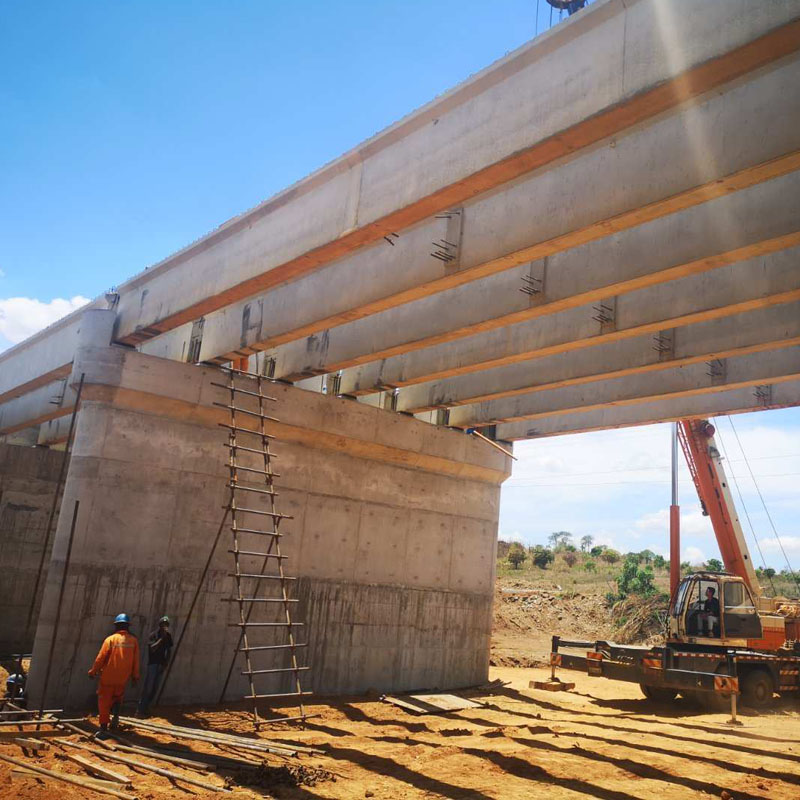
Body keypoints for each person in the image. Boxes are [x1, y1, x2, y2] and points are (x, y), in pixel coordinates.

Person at [88, 613, 140, 738]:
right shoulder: (134, 641)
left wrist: (93, 671)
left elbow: (100, 658)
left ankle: (103, 729)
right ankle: (115, 718)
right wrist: (135, 676)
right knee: (118, 698)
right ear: (128, 626)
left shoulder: (110, 640)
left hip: (108, 678)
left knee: (104, 702)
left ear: (116, 626)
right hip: (123, 679)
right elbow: (136, 661)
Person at [137, 615, 173, 717]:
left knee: (155, 688)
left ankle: (147, 708)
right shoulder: (153, 635)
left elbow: (169, 650)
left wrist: (167, 662)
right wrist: (161, 639)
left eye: (166, 625)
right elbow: (152, 648)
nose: (164, 626)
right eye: (163, 624)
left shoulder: (168, 636)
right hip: (153, 664)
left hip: (161, 664)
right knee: (148, 688)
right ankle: (140, 710)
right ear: (159, 625)